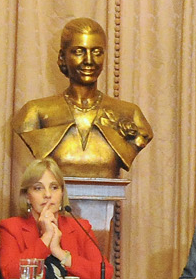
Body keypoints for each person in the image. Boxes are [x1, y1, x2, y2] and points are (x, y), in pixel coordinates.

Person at [11, 17, 153, 179]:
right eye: (79, 52)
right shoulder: (34, 112)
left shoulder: (130, 113)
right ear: (63, 57)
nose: (89, 61)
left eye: (97, 52)